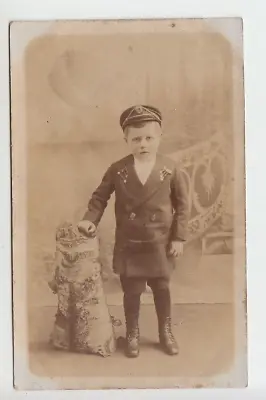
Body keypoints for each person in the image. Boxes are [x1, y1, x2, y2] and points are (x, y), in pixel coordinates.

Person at [78, 105, 189, 358]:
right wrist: (89, 220)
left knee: (162, 289)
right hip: (131, 243)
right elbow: (99, 197)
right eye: (136, 139)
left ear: (160, 137)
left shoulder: (171, 169)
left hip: (159, 243)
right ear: (126, 140)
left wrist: (179, 238)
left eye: (149, 138)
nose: (143, 144)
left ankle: (165, 331)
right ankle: (133, 333)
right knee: (132, 292)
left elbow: (183, 207)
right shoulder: (118, 169)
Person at [48, 222, 121, 357]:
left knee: (88, 292)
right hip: (80, 224)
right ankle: (69, 338)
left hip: (88, 225)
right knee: (70, 288)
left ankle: (87, 339)